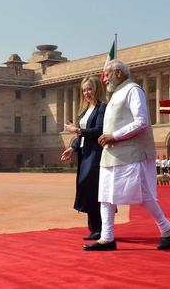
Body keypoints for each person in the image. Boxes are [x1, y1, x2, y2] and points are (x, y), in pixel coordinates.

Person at [85, 59, 170, 251]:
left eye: (107, 74)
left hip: (131, 153)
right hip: (111, 154)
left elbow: (141, 121)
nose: (104, 79)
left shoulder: (133, 90)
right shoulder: (116, 94)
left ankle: (166, 228)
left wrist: (114, 136)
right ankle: (107, 238)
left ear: (119, 73)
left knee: (142, 195)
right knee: (105, 196)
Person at [61, 76, 107, 241]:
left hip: (96, 153)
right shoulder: (84, 112)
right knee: (86, 187)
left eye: (89, 89)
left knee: (93, 188)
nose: (87, 92)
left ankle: (101, 228)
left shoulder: (102, 108)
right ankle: (94, 228)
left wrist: (77, 130)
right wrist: (72, 147)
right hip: (84, 153)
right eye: (84, 90)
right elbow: (82, 134)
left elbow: (98, 130)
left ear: (97, 89)